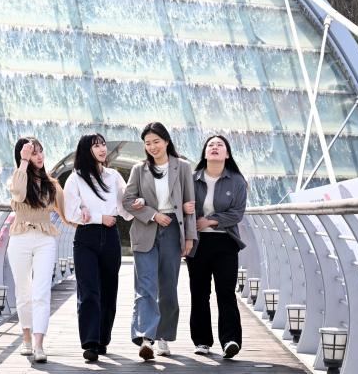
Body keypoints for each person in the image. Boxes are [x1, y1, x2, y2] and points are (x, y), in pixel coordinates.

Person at [123, 122, 197, 361]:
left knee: (168, 288)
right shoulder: (139, 169)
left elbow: (190, 205)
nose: (152, 147)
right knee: (145, 287)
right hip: (146, 231)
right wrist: (153, 214)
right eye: (147, 143)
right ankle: (146, 338)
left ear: (166, 141)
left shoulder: (182, 167)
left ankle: (163, 337)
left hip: (174, 232)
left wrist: (189, 237)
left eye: (156, 141)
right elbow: (127, 201)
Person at [63, 132, 133, 361]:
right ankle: (90, 343)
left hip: (110, 236)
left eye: (103, 144)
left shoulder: (113, 176)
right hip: (86, 238)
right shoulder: (75, 179)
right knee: (88, 289)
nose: (103, 149)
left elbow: (124, 209)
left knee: (109, 290)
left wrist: (138, 205)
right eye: (96, 146)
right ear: (86, 150)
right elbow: (71, 212)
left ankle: (103, 339)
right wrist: (98, 217)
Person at [6, 137, 73, 363]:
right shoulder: (16, 179)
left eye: (40, 152)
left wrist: (84, 214)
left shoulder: (52, 185)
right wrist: (23, 163)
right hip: (20, 238)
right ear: (23, 157)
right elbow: (18, 192)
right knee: (24, 291)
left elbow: (67, 212)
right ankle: (25, 339)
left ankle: (38, 344)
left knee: (42, 292)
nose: (40, 156)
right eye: (33, 153)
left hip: (45, 239)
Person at [184, 135, 247, 359]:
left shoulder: (237, 180)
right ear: (204, 153)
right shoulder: (192, 179)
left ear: (227, 154)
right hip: (198, 243)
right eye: (211, 145)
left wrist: (210, 220)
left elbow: (237, 212)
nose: (215, 147)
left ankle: (230, 340)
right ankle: (201, 341)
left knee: (226, 293)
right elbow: (184, 209)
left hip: (225, 242)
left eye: (220, 145)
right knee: (199, 293)